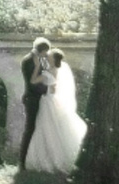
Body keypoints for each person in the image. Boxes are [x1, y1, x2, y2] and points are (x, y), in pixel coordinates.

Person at [24, 48, 88, 176]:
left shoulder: (50, 71)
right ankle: (56, 157)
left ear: (53, 59)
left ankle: (50, 159)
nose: (47, 58)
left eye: (49, 57)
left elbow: (34, 81)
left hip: (49, 101)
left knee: (47, 128)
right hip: (52, 100)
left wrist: (37, 67)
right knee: (52, 128)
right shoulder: (57, 70)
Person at [17, 37, 52, 165]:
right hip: (32, 98)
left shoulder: (34, 59)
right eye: (46, 52)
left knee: (34, 128)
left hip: (35, 97)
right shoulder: (30, 61)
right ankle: (23, 160)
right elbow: (33, 83)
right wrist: (47, 89)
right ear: (42, 50)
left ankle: (30, 159)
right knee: (30, 128)